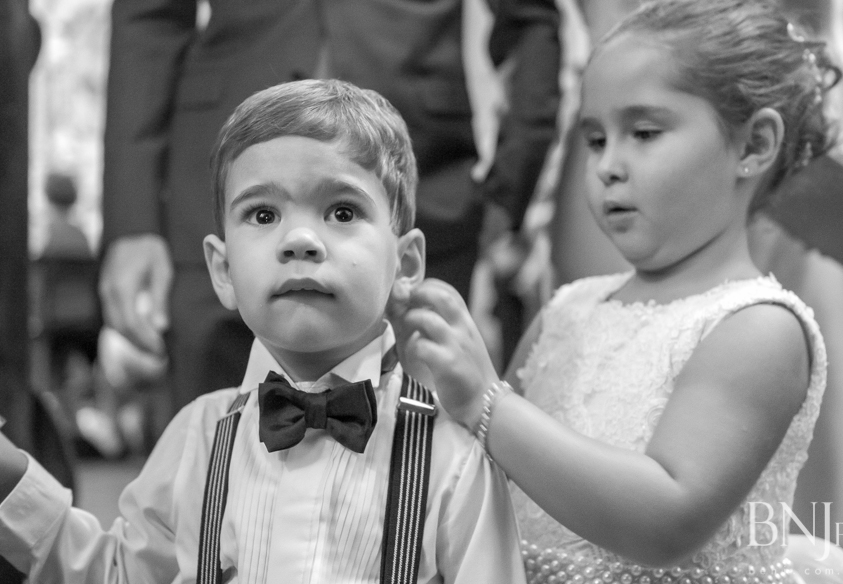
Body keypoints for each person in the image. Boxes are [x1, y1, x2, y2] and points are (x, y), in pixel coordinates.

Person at [392, 1, 843, 582]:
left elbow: (665, 519)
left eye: (643, 133)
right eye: (595, 140)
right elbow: (484, 470)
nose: (607, 166)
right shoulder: (565, 311)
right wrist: (426, 380)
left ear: (753, 145)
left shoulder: (757, 328)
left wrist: (486, 403)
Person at [0, 79, 526, 583]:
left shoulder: (452, 458)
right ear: (223, 270)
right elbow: (117, 575)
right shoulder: (197, 438)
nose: (300, 239)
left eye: (342, 211)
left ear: (406, 264)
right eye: (263, 214)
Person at [98, 0, 562, 424]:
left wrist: (509, 185)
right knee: (208, 454)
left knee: (423, 450)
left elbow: (529, 21)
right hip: (218, 180)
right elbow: (150, 17)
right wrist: (132, 221)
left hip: (423, 177)